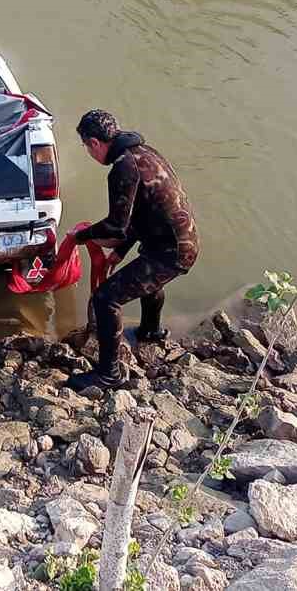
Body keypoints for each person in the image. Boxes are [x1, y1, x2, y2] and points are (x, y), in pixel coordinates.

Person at [66, 109, 198, 391]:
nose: (89, 153)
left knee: (106, 299)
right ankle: (150, 332)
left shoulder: (122, 169)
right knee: (148, 280)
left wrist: (80, 236)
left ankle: (108, 373)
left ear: (94, 143)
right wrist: (121, 252)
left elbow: (115, 226)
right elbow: (138, 215)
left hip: (170, 251)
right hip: (181, 242)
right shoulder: (145, 153)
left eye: (86, 148)